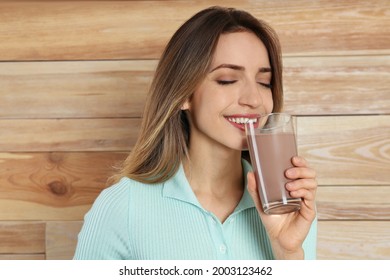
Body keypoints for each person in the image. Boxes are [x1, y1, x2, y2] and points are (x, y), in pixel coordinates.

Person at [74, 6, 317, 260]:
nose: (254, 99)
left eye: (264, 82)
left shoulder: (291, 204)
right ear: (184, 94)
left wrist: (288, 252)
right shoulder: (123, 207)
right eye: (227, 80)